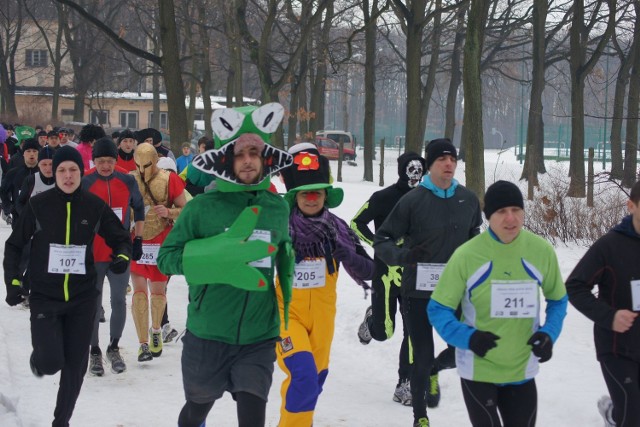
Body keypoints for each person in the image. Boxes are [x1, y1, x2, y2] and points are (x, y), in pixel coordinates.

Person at [157, 102, 295, 427]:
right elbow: (166, 259)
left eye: (254, 152)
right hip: (208, 334)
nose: (247, 160)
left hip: (258, 336)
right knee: (196, 411)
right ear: (225, 158)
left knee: (253, 416)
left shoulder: (277, 208)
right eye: (239, 153)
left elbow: (281, 256)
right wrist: (213, 256)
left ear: (264, 158)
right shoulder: (201, 209)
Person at [3, 146, 131, 427]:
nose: (68, 175)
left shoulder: (94, 206)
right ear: (54, 173)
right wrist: (13, 282)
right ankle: (41, 360)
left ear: (80, 172)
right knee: (50, 362)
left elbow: (120, 237)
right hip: (46, 296)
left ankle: (61, 422)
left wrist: (122, 256)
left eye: (73, 169)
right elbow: (14, 246)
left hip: (83, 297)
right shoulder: (39, 206)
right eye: (62, 170)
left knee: (75, 365)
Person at [427, 180, 567, 427]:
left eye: (516, 210)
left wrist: (549, 334)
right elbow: (438, 309)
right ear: (488, 216)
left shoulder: (541, 251)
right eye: (501, 211)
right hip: (478, 369)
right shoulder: (467, 255)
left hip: (521, 370)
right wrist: (467, 338)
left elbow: (558, 300)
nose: (510, 218)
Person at [374, 138, 482, 427]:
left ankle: (436, 368)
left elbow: (476, 238)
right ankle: (420, 417)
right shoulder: (412, 201)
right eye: (441, 160)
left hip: (455, 291)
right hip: (417, 291)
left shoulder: (468, 199)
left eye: (452, 159)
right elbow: (381, 239)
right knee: (421, 355)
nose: (448, 164)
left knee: (462, 348)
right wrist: (403, 256)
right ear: (429, 166)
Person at [276, 142, 374, 426]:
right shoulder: (279, 226)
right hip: (286, 318)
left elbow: (369, 270)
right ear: (295, 196)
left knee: (312, 382)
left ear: (325, 195)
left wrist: (346, 254)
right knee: (304, 375)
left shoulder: (338, 229)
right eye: (304, 193)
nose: (311, 198)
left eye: (316, 192)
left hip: (322, 321)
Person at [351, 151, 426, 406]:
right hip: (385, 274)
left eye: (420, 169)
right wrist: (380, 246)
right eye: (411, 169)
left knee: (414, 331)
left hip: (415, 277)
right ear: (402, 170)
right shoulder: (383, 198)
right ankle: (373, 320)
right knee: (385, 332)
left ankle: (405, 384)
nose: (415, 174)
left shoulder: (428, 201)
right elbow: (356, 223)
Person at [566, 180, 640, 427]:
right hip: (618, 347)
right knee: (632, 413)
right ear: (631, 206)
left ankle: (613, 414)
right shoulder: (610, 246)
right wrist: (610, 316)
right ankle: (617, 414)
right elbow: (575, 286)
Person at [82, 137, 145, 375]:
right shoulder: (85, 181)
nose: (105, 166)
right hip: (93, 252)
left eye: (109, 161)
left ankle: (113, 347)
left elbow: (139, 209)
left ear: (116, 161)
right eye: (100, 161)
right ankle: (95, 352)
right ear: (94, 160)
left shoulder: (127, 180)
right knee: (93, 304)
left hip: (119, 252)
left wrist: (138, 238)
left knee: (119, 301)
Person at [129, 142, 186, 361]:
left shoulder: (170, 179)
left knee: (158, 292)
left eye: (146, 164)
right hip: (138, 240)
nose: (142, 170)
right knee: (140, 293)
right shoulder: (130, 178)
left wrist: (170, 211)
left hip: (161, 240)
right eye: (138, 165)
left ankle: (155, 331)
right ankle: (142, 344)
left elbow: (186, 210)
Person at [1, 138, 40, 226]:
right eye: (28, 151)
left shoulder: (43, 173)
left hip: (40, 220)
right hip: (19, 220)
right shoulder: (13, 173)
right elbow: (3, 192)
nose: (31, 154)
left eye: (34, 151)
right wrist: (10, 207)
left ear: (38, 153)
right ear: (23, 153)